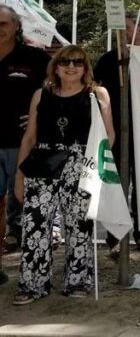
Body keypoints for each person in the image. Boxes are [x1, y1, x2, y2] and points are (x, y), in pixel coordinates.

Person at [13, 46, 114, 304]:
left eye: (78, 61)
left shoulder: (97, 94)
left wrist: (95, 166)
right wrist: (19, 177)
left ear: (85, 66)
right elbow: (30, 137)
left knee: (79, 224)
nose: (71, 66)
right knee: (35, 224)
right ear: (56, 66)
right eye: (65, 61)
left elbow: (109, 135)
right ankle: (33, 284)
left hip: (80, 163)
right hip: (42, 162)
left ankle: (78, 279)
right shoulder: (41, 94)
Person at [93, 11, 140, 258]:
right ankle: (115, 237)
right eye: (119, 29)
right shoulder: (108, 60)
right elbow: (95, 90)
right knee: (117, 184)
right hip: (116, 133)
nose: (122, 34)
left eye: (127, 28)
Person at [0, 6, 50, 285]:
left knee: (31, 206)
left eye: (3, 23)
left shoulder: (34, 58)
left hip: (24, 145)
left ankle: (34, 270)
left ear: (16, 27)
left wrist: (40, 117)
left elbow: (58, 88)